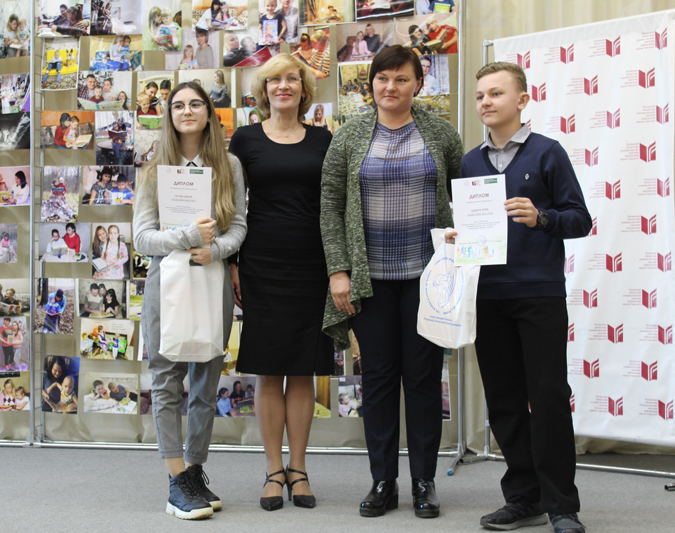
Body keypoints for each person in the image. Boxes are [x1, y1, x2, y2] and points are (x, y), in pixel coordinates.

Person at [443, 62, 590, 533]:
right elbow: (472, 226)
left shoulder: (548, 152)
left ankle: (561, 505)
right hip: (488, 296)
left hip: (538, 294)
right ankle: (524, 498)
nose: (485, 102)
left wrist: (542, 216)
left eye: (496, 93)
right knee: (504, 401)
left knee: (548, 398)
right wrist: (458, 238)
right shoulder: (470, 162)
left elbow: (580, 219)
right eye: (480, 95)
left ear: (522, 100)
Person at [320, 45, 463, 519]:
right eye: (383, 78)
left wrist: (464, 238)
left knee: (423, 379)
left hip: (428, 278)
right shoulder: (350, 135)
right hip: (370, 280)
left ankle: (424, 481)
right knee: (379, 380)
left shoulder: (440, 133)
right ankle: (383, 481)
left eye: (402, 79)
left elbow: (463, 194)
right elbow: (330, 205)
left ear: (418, 84)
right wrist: (338, 270)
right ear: (371, 83)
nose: (391, 87)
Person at [134, 80, 247, 520]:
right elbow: (142, 239)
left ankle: (195, 472)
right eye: (178, 105)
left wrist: (215, 250)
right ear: (169, 115)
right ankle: (175, 480)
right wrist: (186, 237)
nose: (187, 111)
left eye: (196, 103)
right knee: (166, 379)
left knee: (205, 380)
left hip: (211, 283)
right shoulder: (153, 170)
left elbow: (239, 226)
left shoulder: (229, 165)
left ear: (208, 113)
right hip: (166, 286)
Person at [229, 53, 333, 511]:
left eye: (292, 79)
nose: (284, 86)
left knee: (304, 368)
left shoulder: (324, 139)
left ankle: (300, 468)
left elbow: (333, 203)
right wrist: (232, 262)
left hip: (313, 263)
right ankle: (274, 470)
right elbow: (231, 204)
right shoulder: (245, 138)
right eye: (275, 80)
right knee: (269, 368)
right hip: (261, 263)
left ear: (304, 89)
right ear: (264, 90)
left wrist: (339, 266)